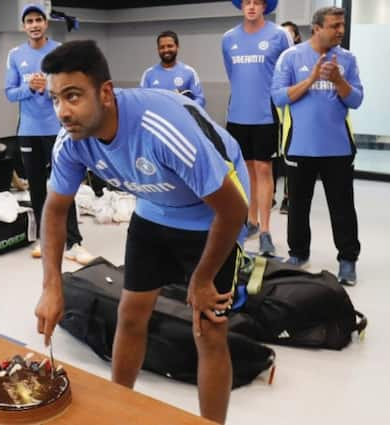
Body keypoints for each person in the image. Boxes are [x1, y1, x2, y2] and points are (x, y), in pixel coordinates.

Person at [34, 40, 249, 424]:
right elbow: (54, 210)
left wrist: (200, 280)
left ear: (105, 93)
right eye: (55, 99)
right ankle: (119, 411)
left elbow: (234, 211)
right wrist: (52, 284)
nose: (63, 112)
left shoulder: (162, 128)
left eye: (73, 96)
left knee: (209, 330)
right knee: (131, 314)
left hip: (212, 217)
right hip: (154, 212)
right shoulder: (72, 141)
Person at [271, 7, 363, 285]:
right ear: (316, 28)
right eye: (335, 25)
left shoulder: (347, 59)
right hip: (300, 146)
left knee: (343, 206)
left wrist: (338, 80)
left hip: (338, 147)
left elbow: (356, 100)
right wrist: (311, 79)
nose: (341, 31)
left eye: (342, 25)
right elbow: (278, 97)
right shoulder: (290, 57)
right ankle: (298, 254)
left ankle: (347, 259)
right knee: (298, 205)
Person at [4, 3, 94, 264]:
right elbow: (10, 93)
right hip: (29, 131)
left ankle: (74, 241)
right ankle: (47, 240)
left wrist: (47, 88)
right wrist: (29, 89)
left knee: (64, 184)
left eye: (38, 20)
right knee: (37, 188)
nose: (34, 25)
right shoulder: (15, 55)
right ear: (24, 26)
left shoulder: (58, 51)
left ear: (46, 23)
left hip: (58, 130)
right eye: (29, 21)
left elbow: (72, 88)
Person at [222, 0, 292, 256]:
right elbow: (233, 74)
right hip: (238, 114)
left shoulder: (279, 36)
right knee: (245, 169)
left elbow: (287, 71)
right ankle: (250, 222)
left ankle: (265, 231)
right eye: (247, 2)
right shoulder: (228, 38)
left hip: (266, 113)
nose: (251, 6)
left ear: (265, 6)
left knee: (263, 169)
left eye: (257, 2)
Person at [274, 20, 303, 215]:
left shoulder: (300, 60)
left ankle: (288, 198)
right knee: (273, 158)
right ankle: (271, 195)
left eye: (289, 34)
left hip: (293, 117)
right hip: (274, 114)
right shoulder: (276, 61)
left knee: (290, 159)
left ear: (296, 37)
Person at [140, 30, 206, 108]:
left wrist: (186, 108)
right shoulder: (148, 74)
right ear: (158, 49)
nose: (166, 50)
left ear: (177, 46)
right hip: (158, 119)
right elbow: (141, 101)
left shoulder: (189, 72)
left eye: (169, 46)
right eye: (162, 47)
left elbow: (200, 100)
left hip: (181, 119)